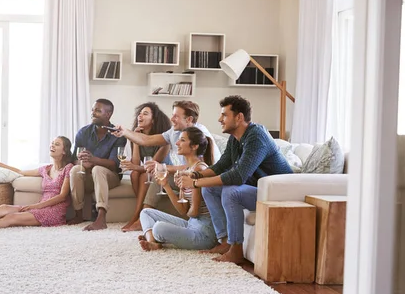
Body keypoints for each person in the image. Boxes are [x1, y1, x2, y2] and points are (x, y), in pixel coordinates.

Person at [177, 95, 293, 264]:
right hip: (259, 190)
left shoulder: (256, 136)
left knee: (231, 192)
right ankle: (224, 242)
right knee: (209, 189)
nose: (219, 119)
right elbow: (220, 166)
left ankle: (236, 249)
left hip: (277, 194)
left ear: (239, 117)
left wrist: (195, 183)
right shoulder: (235, 139)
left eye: (224, 115)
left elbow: (238, 176)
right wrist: (195, 175)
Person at [113, 100, 220, 231]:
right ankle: (143, 216)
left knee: (159, 175)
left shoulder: (198, 136)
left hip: (201, 179)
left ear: (189, 119)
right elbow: (147, 140)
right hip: (185, 175)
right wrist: (125, 132)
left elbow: (198, 169)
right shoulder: (175, 132)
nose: (171, 119)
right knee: (157, 178)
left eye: (176, 116)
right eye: (172, 114)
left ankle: (141, 219)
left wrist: (164, 168)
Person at [138, 127, 216, 251]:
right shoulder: (185, 171)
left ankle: (153, 237)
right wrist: (166, 185)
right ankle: (153, 242)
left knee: (159, 228)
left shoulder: (199, 170)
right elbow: (182, 210)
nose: (177, 143)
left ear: (194, 146)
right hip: (192, 224)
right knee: (146, 212)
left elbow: (194, 212)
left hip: (204, 234)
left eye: (182, 140)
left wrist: (187, 210)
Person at [68, 99, 127, 231]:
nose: (93, 113)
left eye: (98, 111)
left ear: (108, 114)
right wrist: (83, 163)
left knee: (98, 170)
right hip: (88, 175)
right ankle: (78, 214)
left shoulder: (118, 135)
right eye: (93, 110)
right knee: (76, 169)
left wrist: (93, 160)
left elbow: (114, 165)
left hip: (110, 177)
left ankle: (101, 217)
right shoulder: (84, 132)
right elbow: (73, 159)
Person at [119, 102, 171, 232]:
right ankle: (141, 214)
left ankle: (137, 216)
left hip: (164, 170)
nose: (140, 116)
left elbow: (153, 164)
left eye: (145, 113)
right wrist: (135, 141)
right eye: (139, 113)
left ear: (153, 120)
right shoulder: (137, 136)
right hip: (149, 170)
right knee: (135, 174)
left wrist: (134, 167)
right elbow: (136, 164)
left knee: (143, 175)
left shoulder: (163, 139)